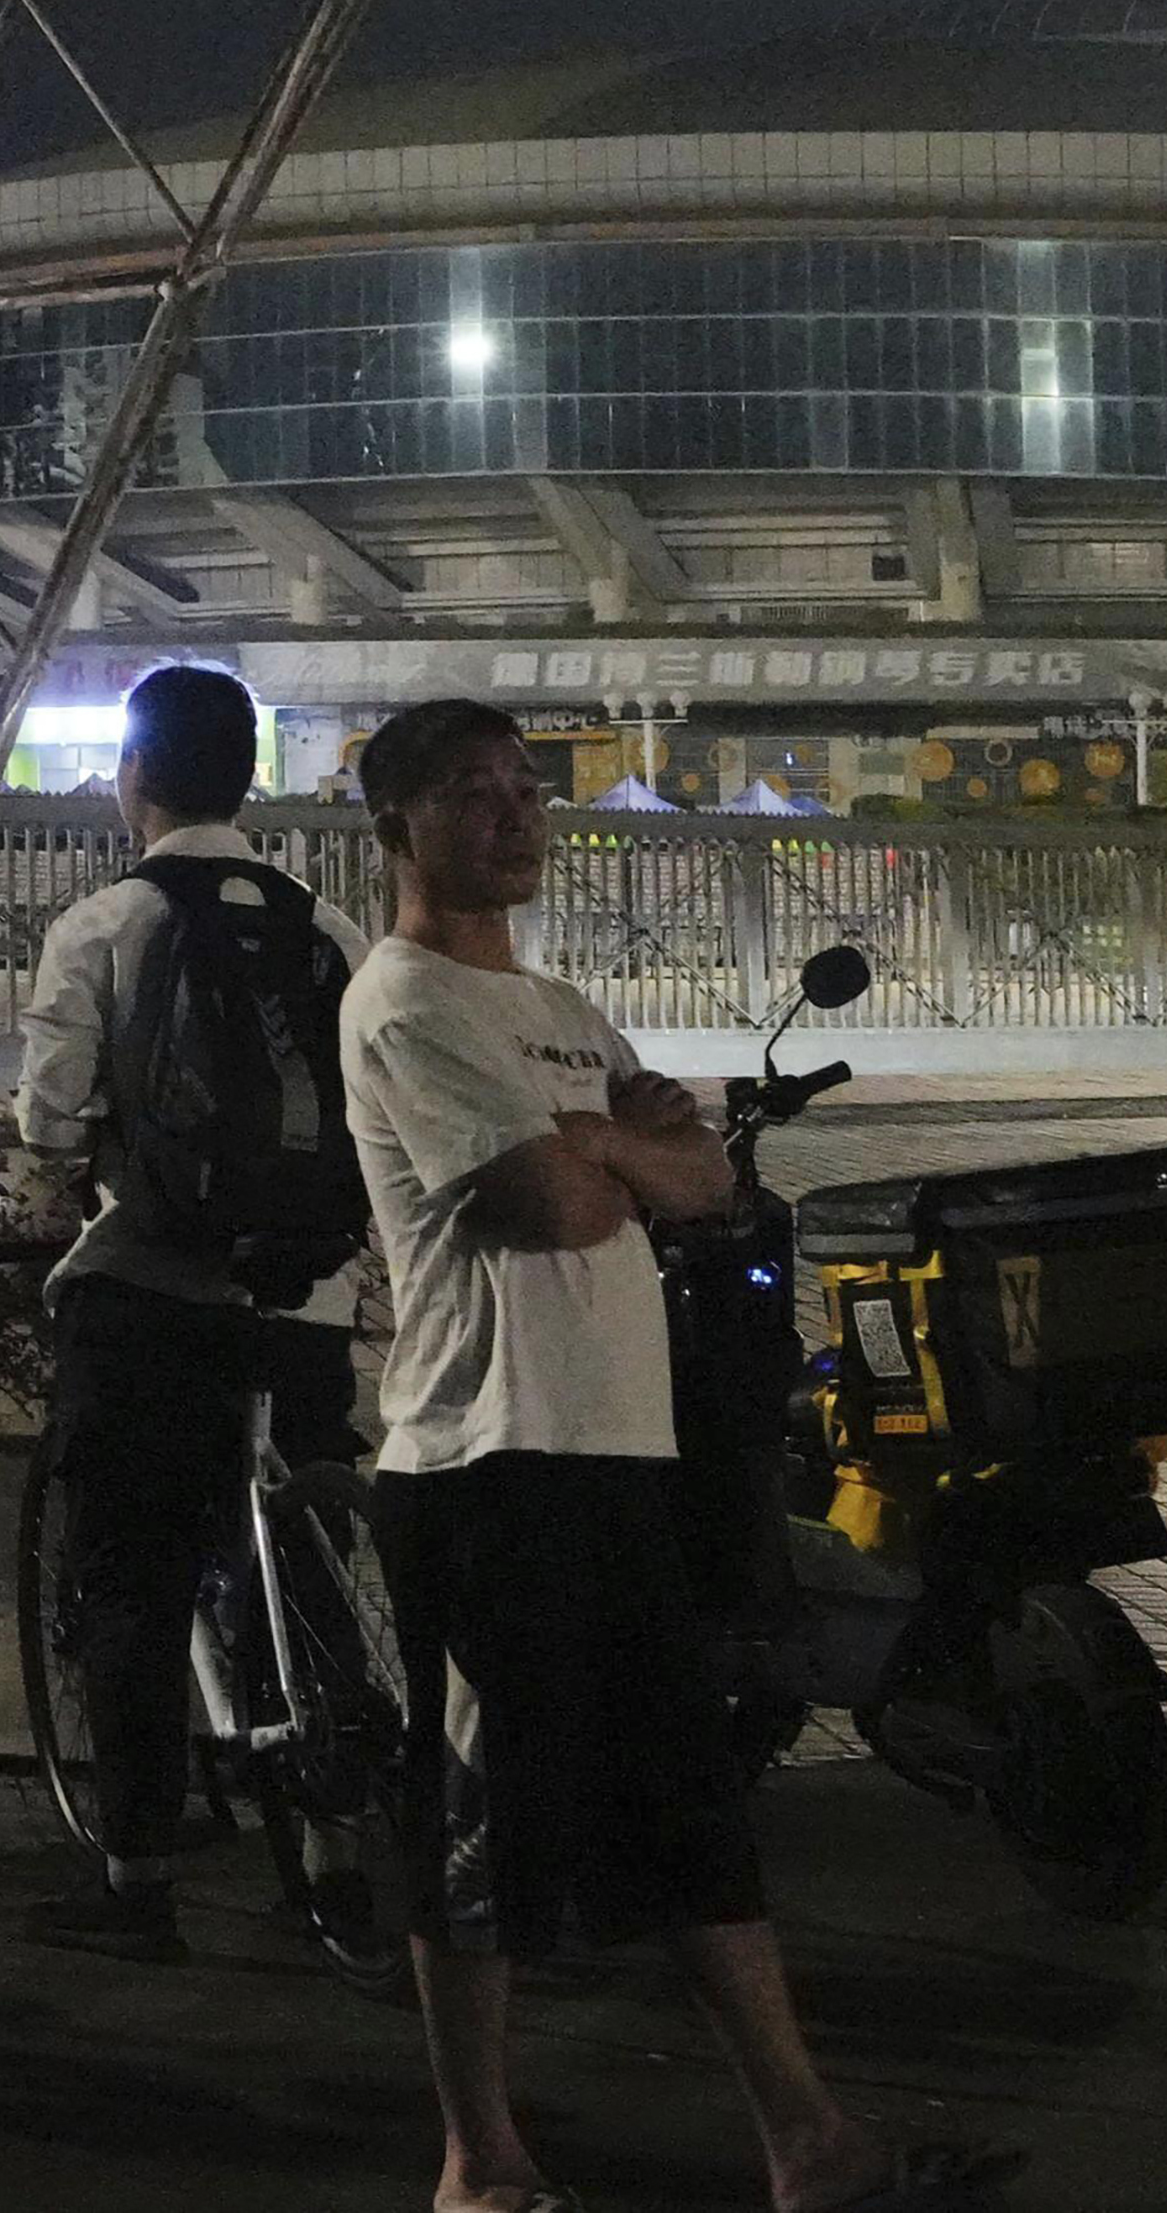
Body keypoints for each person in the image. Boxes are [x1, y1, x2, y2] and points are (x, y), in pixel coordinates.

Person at [342, 697, 1014, 2213]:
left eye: (527, 789)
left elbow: (701, 1179)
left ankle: (810, 2143)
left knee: (688, 1796)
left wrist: (606, 1145)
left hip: (618, 1448)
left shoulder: (566, 1012)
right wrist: (611, 1153)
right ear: (400, 825)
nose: (516, 816)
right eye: (474, 793)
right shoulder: (403, 1001)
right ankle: (480, 2166)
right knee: (480, 1808)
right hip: (484, 1459)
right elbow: (557, 1207)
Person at [9, 662, 372, 1964]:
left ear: (133, 781)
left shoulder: (103, 925)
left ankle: (137, 1879)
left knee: (132, 1588)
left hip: (152, 1296)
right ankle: (341, 1855)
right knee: (310, 1572)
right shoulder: (329, 930)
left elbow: (48, 1132)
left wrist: (30, 1217)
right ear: (249, 778)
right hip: (309, 1298)